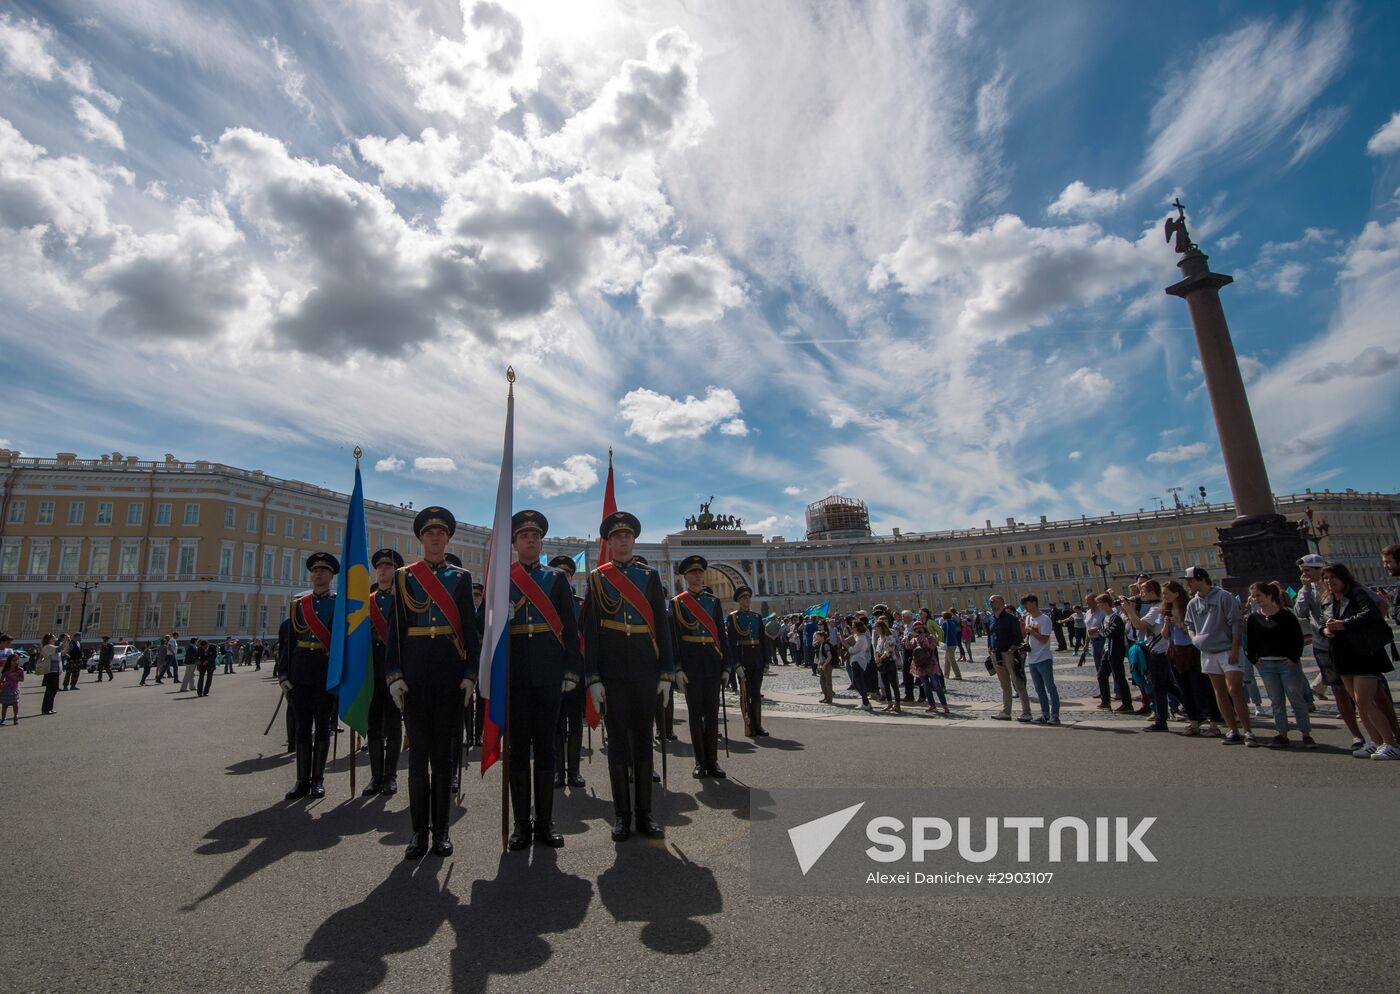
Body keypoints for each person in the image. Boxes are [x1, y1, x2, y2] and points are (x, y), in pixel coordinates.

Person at [385, 507, 480, 859]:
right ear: (421, 540)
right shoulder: (404, 577)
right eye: (429, 534)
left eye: (441, 533)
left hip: (449, 678)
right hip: (415, 678)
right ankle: (417, 833)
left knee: (443, 760)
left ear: (448, 539)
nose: (436, 538)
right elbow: (396, 631)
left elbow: (470, 631)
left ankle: (441, 831)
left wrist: (471, 673)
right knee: (417, 760)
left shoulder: (461, 577)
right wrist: (394, 675)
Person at [582, 511, 675, 841]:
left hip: (644, 669)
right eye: (616, 537)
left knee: (643, 745)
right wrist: (592, 677)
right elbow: (590, 631)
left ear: (633, 540)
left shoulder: (649, 576)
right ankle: (621, 815)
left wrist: (666, 672)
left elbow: (662, 627)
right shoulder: (597, 578)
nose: (622, 541)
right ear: (608, 543)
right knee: (619, 745)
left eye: (627, 536)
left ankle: (645, 814)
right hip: (611, 672)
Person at [503, 511, 580, 850]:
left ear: (541, 542)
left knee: (547, 749)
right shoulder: (502, 579)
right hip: (514, 676)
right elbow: (483, 629)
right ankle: (521, 825)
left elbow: (570, 627)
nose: (530, 540)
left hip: (550, 674)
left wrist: (570, 670)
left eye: (535, 536)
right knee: (519, 750)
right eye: (524, 536)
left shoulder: (557, 579)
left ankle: (546, 823)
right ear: (515, 543)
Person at [1319, 562, 1398, 760]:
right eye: (1326, 579)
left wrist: (1344, 624)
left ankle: (1391, 743)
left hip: (1363, 653)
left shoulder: (1356, 593)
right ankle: (1375, 741)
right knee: (1358, 702)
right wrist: (1325, 630)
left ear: (1343, 578)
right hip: (1341, 654)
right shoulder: (1329, 600)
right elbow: (1323, 622)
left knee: (1365, 700)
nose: (1329, 582)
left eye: (1332, 578)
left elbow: (1371, 613)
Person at [279, 555, 340, 800]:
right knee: (303, 728)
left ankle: (317, 781)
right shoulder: (298, 605)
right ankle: (301, 781)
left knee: (323, 727)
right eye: (315, 570)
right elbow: (288, 644)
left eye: (324, 571)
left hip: (325, 673)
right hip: (301, 674)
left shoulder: (338, 605)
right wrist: (283, 674)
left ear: (331, 576)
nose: (319, 574)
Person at [669, 555, 730, 779]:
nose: (698, 576)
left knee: (712, 714)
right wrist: (677, 668)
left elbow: (722, 637)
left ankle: (713, 761)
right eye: (693, 573)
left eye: (700, 573)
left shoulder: (713, 602)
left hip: (712, 663)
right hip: (691, 664)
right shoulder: (677, 603)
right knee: (696, 715)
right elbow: (674, 638)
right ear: (685, 577)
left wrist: (726, 666)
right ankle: (700, 761)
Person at [1183, 566, 1253, 746]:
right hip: (1207, 652)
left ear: (1200, 579)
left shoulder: (1224, 597)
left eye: (1190, 580)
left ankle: (1248, 731)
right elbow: (1189, 624)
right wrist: (1195, 639)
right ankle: (1233, 730)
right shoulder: (1193, 603)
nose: (1188, 584)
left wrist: (1236, 649)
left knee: (1234, 691)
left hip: (1228, 649)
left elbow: (1236, 624)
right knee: (1220, 692)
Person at [1245, 581, 1313, 749]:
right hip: (1266, 665)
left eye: (1258, 596)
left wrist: (1294, 658)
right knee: (1276, 701)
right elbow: (1250, 641)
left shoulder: (1286, 615)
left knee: (1295, 697)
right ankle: (1282, 733)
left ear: (1269, 595)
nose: (1255, 599)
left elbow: (1297, 638)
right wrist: (1254, 659)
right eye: (1253, 596)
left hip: (1287, 663)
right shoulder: (1254, 618)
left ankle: (1306, 733)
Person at [361, 548, 405, 797]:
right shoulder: (367, 600)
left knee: (393, 723)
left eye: (388, 567)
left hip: (394, 668)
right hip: (371, 669)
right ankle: (375, 776)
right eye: (380, 567)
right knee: (373, 724)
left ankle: (391, 775)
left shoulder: (402, 599)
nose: (383, 570)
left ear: (395, 571)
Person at [549, 555, 588, 790]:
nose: (563, 574)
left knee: (574, 722)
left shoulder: (581, 604)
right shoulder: (544, 601)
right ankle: (557, 770)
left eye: (567, 571)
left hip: (576, 670)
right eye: (559, 571)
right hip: (552, 668)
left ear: (572, 576)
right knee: (554, 723)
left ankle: (574, 770)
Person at [727, 584, 770, 736]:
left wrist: (766, 661)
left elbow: (763, 641)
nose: (747, 600)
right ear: (739, 600)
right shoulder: (733, 617)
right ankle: (749, 724)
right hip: (744, 659)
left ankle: (758, 725)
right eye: (744, 598)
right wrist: (736, 664)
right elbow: (731, 643)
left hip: (756, 659)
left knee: (756, 693)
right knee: (745, 694)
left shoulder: (756, 617)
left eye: (748, 597)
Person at [987, 595, 1031, 722]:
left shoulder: (1011, 618)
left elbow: (1018, 636)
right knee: (1004, 685)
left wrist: (1012, 649)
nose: (991, 603)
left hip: (1009, 653)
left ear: (1001, 602)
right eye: (990, 601)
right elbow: (990, 635)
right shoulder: (991, 619)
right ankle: (1006, 712)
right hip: (996, 654)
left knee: (1018, 683)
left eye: (993, 601)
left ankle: (1026, 712)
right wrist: (990, 648)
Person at [1021, 595, 1059, 725]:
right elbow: (1030, 637)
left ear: (1034, 603)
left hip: (1044, 657)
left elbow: (1044, 639)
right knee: (1039, 689)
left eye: (1026, 603)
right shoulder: (1028, 618)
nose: (1025, 607)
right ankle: (1044, 713)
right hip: (1032, 659)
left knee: (1050, 688)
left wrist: (1031, 631)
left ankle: (1055, 715)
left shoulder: (1045, 619)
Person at [905, 620, 949, 715]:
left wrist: (924, 638)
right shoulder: (915, 639)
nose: (918, 630)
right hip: (920, 665)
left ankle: (944, 705)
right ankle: (931, 704)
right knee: (925, 685)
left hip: (931, 664)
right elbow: (908, 647)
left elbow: (931, 647)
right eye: (916, 629)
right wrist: (907, 638)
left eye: (919, 628)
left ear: (924, 628)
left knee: (936, 685)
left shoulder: (931, 637)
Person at [873, 618, 902, 714]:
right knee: (885, 685)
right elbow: (877, 649)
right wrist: (877, 657)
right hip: (881, 664)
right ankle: (889, 703)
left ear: (881, 628)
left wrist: (881, 658)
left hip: (889, 662)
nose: (875, 629)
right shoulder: (879, 638)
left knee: (893, 684)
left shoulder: (889, 637)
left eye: (876, 627)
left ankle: (897, 704)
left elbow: (889, 650)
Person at [843, 618, 874, 710]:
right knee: (856, 683)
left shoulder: (861, 638)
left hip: (858, 661)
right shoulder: (857, 637)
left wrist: (846, 644)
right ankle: (865, 701)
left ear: (857, 628)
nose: (852, 629)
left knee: (858, 682)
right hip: (855, 660)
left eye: (853, 627)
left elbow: (853, 650)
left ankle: (866, 702)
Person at [39, 634, 61, 715]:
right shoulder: (48, 647)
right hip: (50, 671)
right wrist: (65, 641)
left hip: (55, 671)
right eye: (53, 638)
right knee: (50, 691)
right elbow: (60, 649)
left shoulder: (52, 647)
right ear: (48, 639)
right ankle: (46, 709)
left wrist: (66, 642)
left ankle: (49, 708)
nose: (55, 639)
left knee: (54, 690)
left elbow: (63, 651)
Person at [938, 610, 963, 679]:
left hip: (948, 643)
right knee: (947, 659)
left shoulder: (945, 623)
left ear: (943, 617)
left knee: (952, 660)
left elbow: (942, 633)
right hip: (953, 642)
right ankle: (946, 674)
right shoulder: (952, 623)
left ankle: (958, 675)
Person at [1, 650, 23, 725]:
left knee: (15, 704)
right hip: (6, 689)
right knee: (5, 705)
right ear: (9, 661)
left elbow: (22, 679)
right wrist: (2, 683)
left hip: (14, 689)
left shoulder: (20, 670)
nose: (15, 662)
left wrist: (16, 678)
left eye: (17, 660)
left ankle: (15, 717)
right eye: (13, 660)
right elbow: (2, 679)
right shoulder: (6, 669)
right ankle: (3, 718)